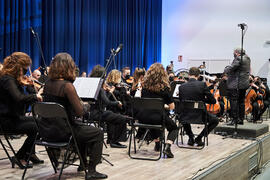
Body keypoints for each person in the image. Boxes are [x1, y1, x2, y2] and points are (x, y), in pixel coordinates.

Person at [42, 53, 107, 179]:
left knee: (83, 130)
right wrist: (86, 105)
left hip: (47, 130)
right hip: (65, 131)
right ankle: (92, 170)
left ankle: (83, 164)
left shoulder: (48, 83)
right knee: (97, 132)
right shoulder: (67, 86)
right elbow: (80, 112)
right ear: (68, 67)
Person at [0, 52, 44, 168]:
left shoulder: (12, 79)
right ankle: (20, 156)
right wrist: (35, 96)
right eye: (25, 69)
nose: (26, 72)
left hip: (14, 117)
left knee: (40, 123)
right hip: (6, 120)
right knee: (37, 128)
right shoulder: (7, 80)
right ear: (18, 67)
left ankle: (30, 153)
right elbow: (19, 98)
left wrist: (26, 86)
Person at [139, 63, 178, 158]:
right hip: (158, 117)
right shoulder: (165, 88)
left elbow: (144, 102)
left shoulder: (144, 87)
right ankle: (167, 146)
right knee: (174, 128)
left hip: (143, 117)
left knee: (152, 121)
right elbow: (172, 107)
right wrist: (163, 106)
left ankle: (157, 144)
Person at [89, 65, 129, 148]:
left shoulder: (91, 84)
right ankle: (115, 141)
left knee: (111, 116)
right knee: (121, 118)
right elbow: (107, 102)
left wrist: (108, 92)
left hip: (88, 113)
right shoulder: (99, 86)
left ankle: (111, 139)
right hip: (98, 113)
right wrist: (116, 102)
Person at [178, 67, 219, 146]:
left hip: (186, 116)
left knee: (183, 116)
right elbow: (213, 101)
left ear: (189, 75)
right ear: (199, 76)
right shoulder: (202, 85)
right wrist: (203, 100)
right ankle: (199, 138)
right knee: (215, 120)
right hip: (200, 116)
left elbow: (181, 101)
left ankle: (190, 137)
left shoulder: (181, 87)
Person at [224, 48, 250, 125]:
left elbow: (230, 69)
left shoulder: (239, 58)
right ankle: (240, 119)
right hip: (244, 84)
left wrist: (226, 68)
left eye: (234, 52)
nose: (233, 54)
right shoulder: (248, 58)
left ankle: (234, 119)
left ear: (237, 53)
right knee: (241, 102)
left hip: (236, 84)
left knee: (234, 101)